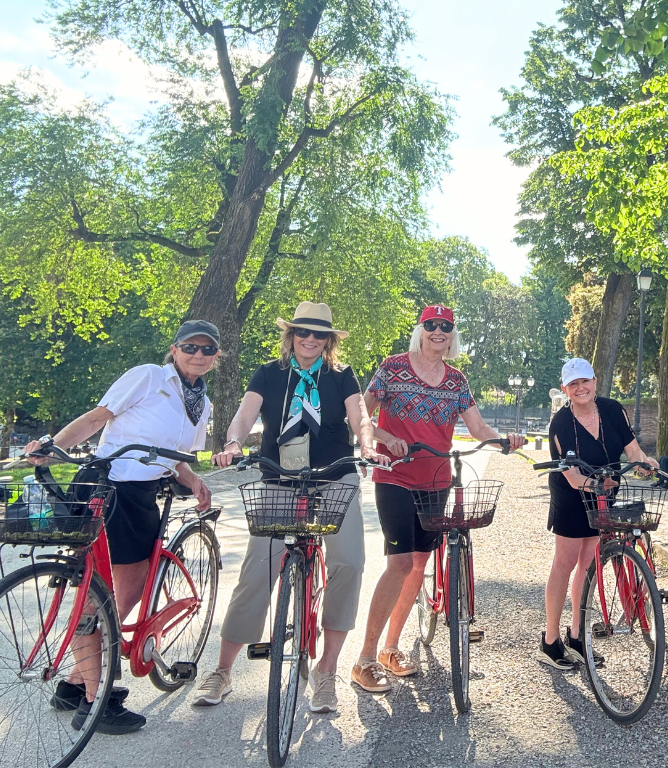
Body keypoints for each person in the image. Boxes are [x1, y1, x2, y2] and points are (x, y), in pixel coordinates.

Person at [26, 319, 219, 734]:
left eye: (207, 349)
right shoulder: (149, 377)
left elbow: (175, 457)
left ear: (216, 356)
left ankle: (76, 684)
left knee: (117, 592)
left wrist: (193, 480)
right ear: (174, 349)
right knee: (99, 597)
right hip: (110, 488)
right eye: (190, 347)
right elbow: (97, 419)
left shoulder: (202, 403)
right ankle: (96, 703)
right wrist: (54, 445)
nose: (198, 355)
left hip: (141, 496)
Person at [196, 303, 384, 715]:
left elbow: (360, 417)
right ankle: (223, 670)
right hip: (279, 476)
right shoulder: (268, 373)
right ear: (291, 335)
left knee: (349, 562)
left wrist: (368, 446)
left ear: (328, 340)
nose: (310, 339)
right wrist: (232, 443)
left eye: (319, 334)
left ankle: (326, 670)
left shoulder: (342, 375)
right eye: (303, 332)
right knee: (258, 568)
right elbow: (244, 415)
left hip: (334, 476)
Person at [353, 305, 523, 692]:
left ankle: (390, 649)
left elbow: (477, 427)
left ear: (452, 335)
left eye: (445, 326)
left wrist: (503, 441)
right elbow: (362, 414)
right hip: (395, 476)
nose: (438, 331)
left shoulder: (456, 381)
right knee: (399, 563)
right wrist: (384, 439)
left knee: (418, 565)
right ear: (421, 330)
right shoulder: (393, 367)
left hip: (436, 480)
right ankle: (364, 657)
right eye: (431, 325)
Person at [538, 357, 660, 669]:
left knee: (589, 565)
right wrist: (596, 485)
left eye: (585, 381)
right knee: (565, 563)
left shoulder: (612, 409)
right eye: (573, 384)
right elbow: (572, 476)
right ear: (565, 389)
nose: (581, 388)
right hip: (572, 495)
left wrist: (644, 464)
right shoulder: (561, 423)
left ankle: (577, 636)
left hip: (605, 493)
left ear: (595, 382)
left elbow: (632, 449)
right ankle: (550, 641)